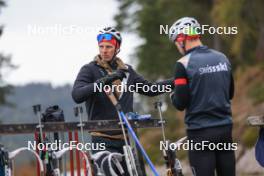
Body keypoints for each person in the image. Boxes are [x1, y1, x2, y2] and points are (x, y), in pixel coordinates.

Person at [71, 27, 173, 175]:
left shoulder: (127, 72)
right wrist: (105, 81)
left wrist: (177, 81)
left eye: (109, 47)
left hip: (125, 139)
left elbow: (151, 89)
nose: (104, 50)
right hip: (102, 140)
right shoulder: (89, 70)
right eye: (101, 47)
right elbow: (77, 95)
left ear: (117, 48)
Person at [169, 17, 235, 176]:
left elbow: (181, 102)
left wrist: (173, 95)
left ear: (181, 39)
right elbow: (230, 93)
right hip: (225, 130)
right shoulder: (222, 57)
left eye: (176, 42)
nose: (177, 47)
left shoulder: (182, 64)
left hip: (200, 133)